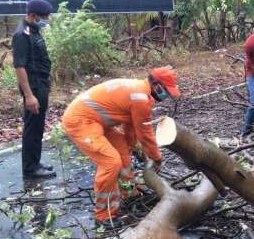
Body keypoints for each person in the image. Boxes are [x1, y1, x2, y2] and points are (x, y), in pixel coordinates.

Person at [61, 67, 180, 227]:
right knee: (111, 162)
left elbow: (131, 127)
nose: (167, 95)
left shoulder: (141, 93)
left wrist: (131, 148)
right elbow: (145, 134)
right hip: (81, 121)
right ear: (157, 85)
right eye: (166, 90)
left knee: (123, 152)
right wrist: (156, 157)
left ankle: (129, 193)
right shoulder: (140, 98)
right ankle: (103, 215)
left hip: (98, 121)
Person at [12, 0, 56, 179]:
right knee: (32, 128)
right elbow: (20, 66)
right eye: (43, 17)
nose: (46, 19)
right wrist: (29, 95)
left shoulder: (33, 30)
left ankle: (35, 162)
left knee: (38, 127)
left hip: (41, 84)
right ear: (33, 15)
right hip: (34, 86)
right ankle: (30, 169)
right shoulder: (21, 35)